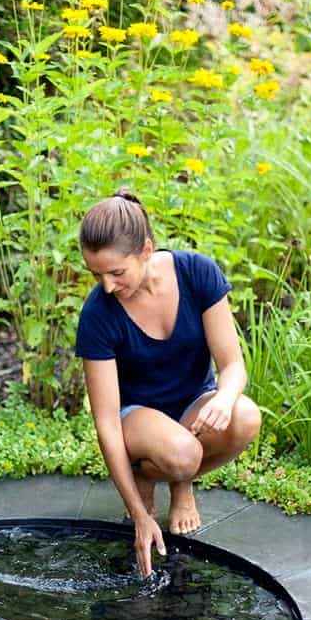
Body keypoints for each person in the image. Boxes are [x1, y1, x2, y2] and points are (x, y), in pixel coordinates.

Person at [75, 188, 261, 578]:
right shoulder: (98, 314)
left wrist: (224, 399)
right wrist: (141, 515)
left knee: (244, 417)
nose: (107, 286)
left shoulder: (196, 273)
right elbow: (106, 424)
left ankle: (179, 484)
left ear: (146, 249)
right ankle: (151, 474)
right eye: (97, 275)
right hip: (136, 418)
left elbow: (233, 367)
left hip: (193, 402)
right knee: (181, 453)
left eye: (116, 272)